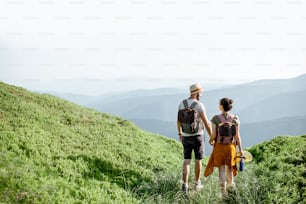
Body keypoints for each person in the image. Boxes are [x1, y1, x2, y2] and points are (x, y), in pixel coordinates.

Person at [177, 83, 212, 194]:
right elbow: (206, 123)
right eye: (200, 93)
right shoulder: (199, 105)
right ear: (197, 93)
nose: (201, 94)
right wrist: (212, 137)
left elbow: (178, 121)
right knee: (198, 160)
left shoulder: (181, 104)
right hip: (198, 136)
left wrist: (180, 134)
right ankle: (197, 183)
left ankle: (185, 184)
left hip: (185, 136)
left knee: (186, 160)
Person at [204, 98, 244, 196]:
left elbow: (213, 135)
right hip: (231, 147)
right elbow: (237, 136)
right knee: (230, 168)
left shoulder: (215, 119)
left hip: (219, 147)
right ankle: (231, 189)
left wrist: (210, 141)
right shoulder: (235, 118)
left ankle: (223, 192)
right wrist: (241, 149)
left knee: (221, 169)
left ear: (221, 106)